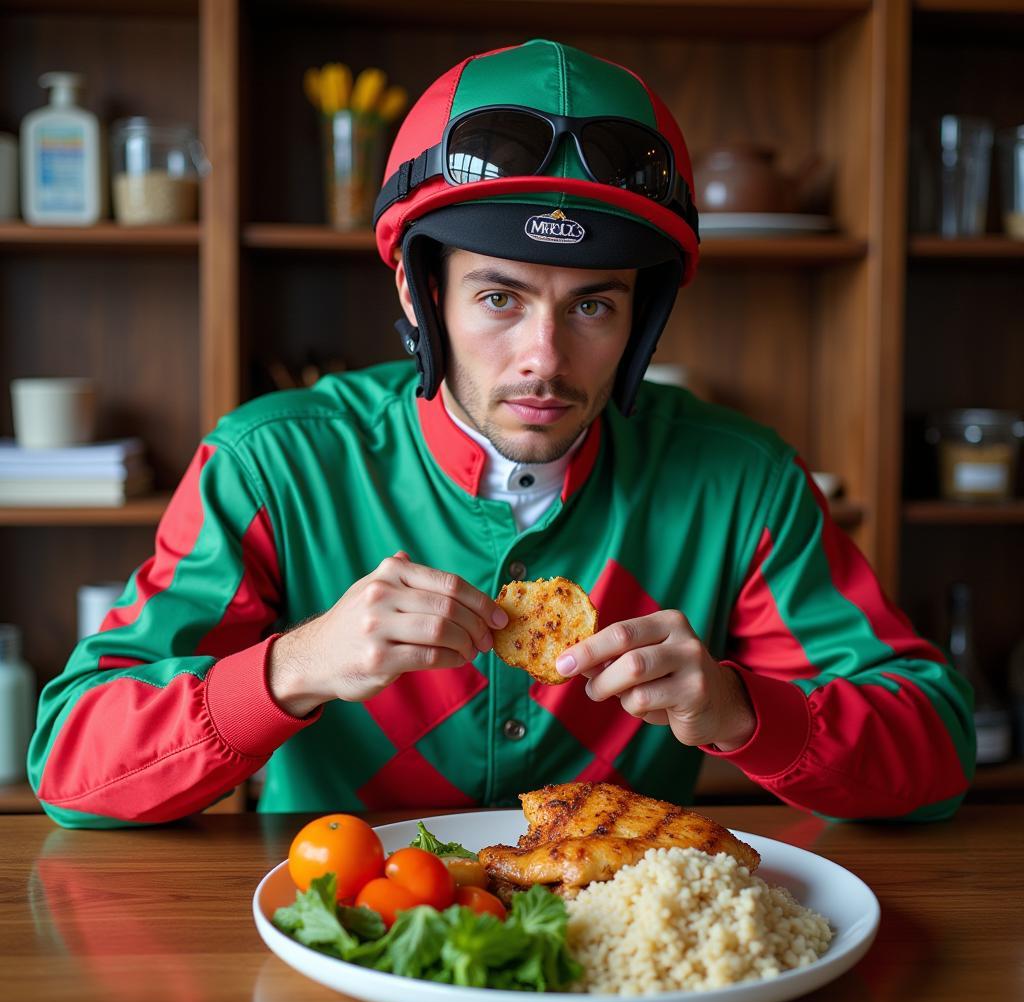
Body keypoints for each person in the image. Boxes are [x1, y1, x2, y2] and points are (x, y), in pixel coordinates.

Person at [28, 39, 974, 828]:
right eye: (497, 297)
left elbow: (932, 743)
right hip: (350, 936)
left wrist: (739, 711)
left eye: (594, 306)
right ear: (419, 293)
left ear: (643, 323)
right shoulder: (269, 465)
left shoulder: (742, 480)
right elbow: (72, 764)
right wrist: (293, 665)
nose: (544, 358)